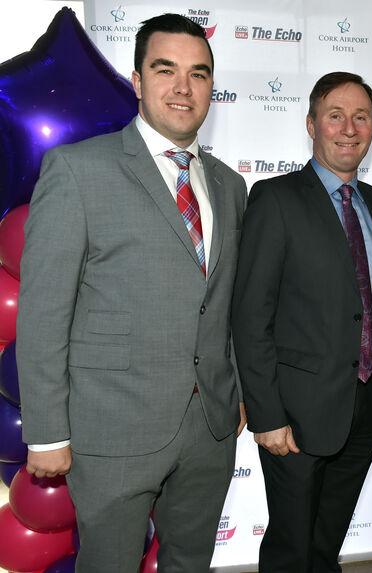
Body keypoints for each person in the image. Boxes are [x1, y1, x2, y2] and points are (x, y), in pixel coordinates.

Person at [17, 13, 247, 571]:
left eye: (198, 74)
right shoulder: (77, 171)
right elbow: (44, 311)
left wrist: (238, 390)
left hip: (210, 427)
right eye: (166, 70)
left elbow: (227, 302)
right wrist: (46, 433)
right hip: (112, 428)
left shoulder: (230, 184)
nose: (183, 87)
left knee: (190, 563)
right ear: (138, 81)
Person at [231, 71, 372, 573]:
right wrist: (266, 415)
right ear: (311, 124)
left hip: (364, 409)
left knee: (326, 548)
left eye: (361, 117)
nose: (349, 128)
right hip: (295, 417)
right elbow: (250, 315)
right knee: (291, 552)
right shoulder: (276, 198)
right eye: (335, 116)